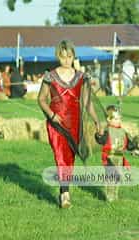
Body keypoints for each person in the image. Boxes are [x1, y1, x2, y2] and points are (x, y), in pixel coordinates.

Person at [37, 40, 101, 209]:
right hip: (56, 122)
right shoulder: (50, 76)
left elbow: (87, 102)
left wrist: (96, 120)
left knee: (70, 159)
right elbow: (41, 99)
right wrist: (51, 115)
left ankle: (64, 190)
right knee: (60, 155)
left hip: (74, 123)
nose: (66, 60)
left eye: (70, 56)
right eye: (63, 57)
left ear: (74, 56)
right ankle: (65, 195)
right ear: (58, 56)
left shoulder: (82, 76)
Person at [95, 105, 139, 202]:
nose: (118, 120)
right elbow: (101, 140)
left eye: (119, 118)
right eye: (115, 119)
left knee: (117, 179)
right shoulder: (107, 130)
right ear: (108, 119)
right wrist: (99, 134)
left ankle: (114, 195)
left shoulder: (123, 131)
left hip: (119, 158)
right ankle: (109, 196)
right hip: (109, 158)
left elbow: (128, 144)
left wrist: (134, 146)